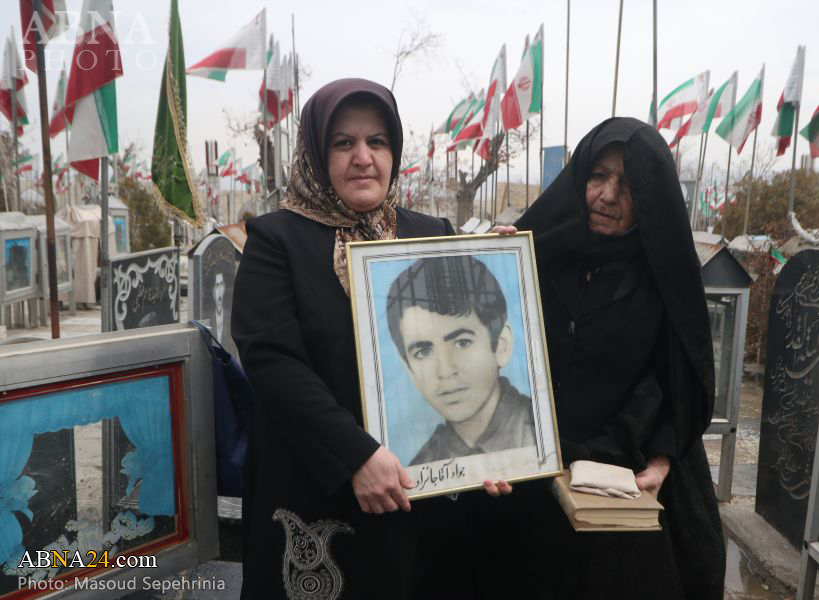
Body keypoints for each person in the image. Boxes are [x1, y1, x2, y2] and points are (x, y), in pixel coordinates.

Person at [231, 78, 510, 600]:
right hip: (319, 489)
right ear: (317, 154)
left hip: (418, 492)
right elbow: (274, 362)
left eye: (376, 142)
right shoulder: (276, 241)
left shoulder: (431, 234)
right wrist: (355, 456)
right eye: (344, 143)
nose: (363, 157)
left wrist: (491, 453)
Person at [504, 117, 726, 599]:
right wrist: (491, 260)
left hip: (622, 475)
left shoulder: (664, 275)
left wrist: (659, 459)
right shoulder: (536, 252)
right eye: (598, 176)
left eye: (627, 185)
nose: (607, 195)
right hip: (525, 475)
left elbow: (675, 380)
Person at [385, 255, 536, 465]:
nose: (445, 370)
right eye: (423, 352)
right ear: (409, 369)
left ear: (501, 346)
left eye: (462, 342)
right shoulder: (421, 467)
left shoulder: (542, 436)